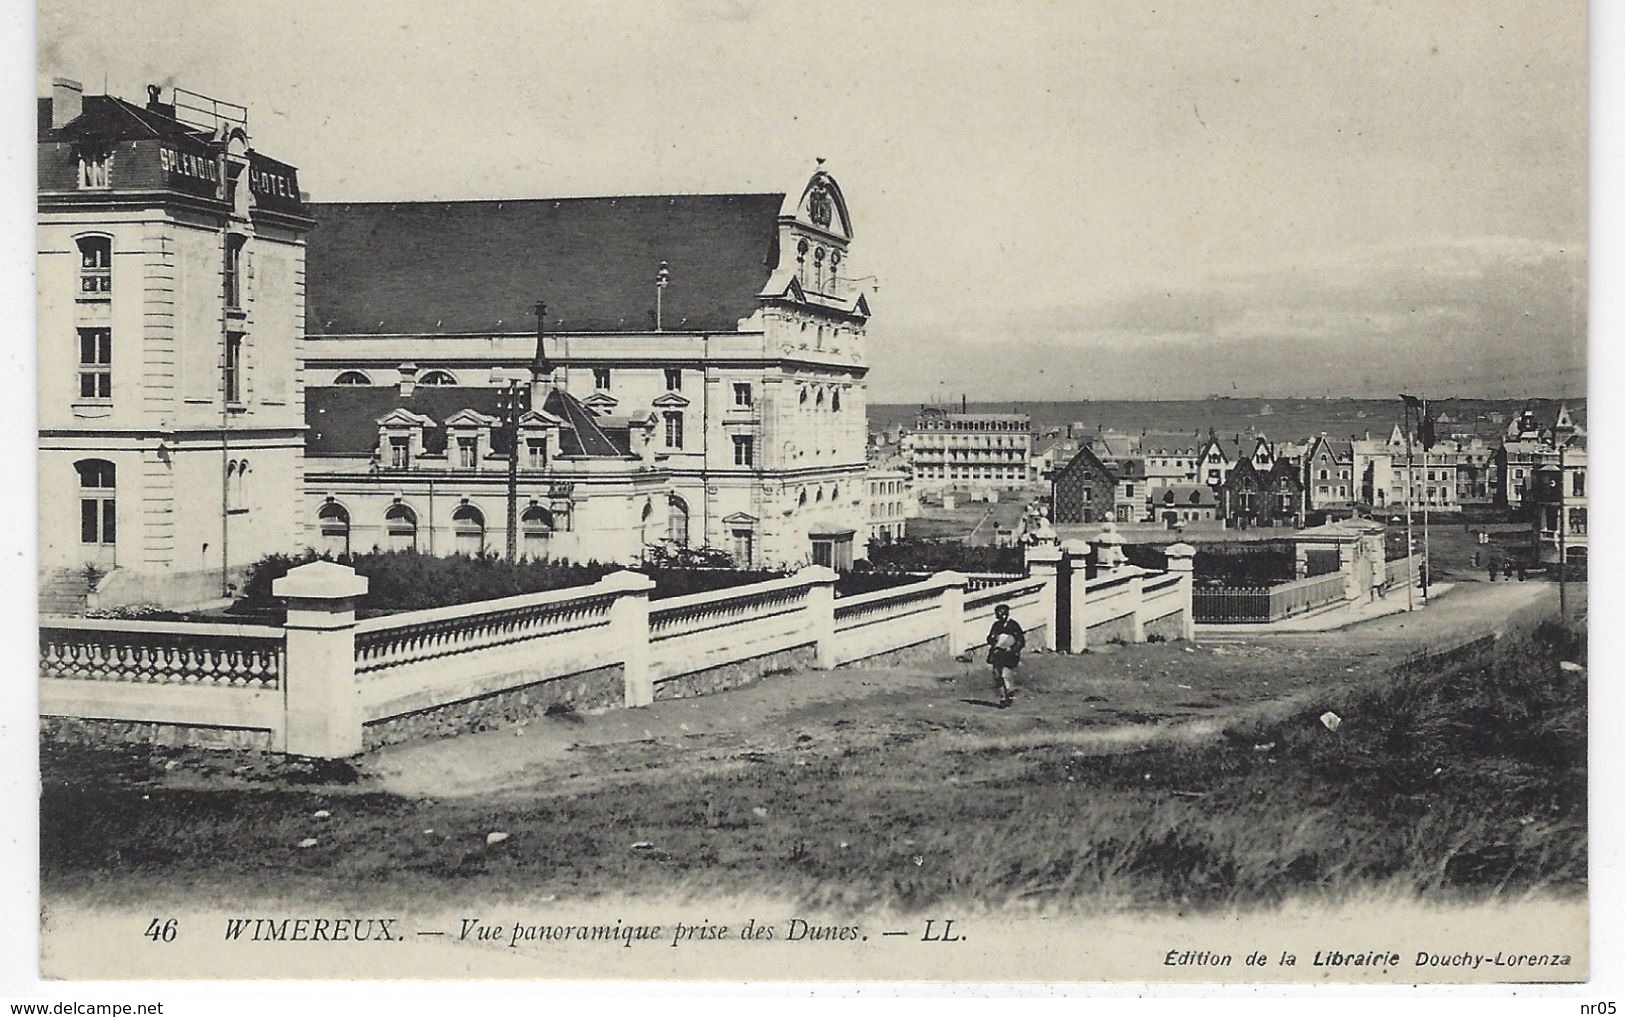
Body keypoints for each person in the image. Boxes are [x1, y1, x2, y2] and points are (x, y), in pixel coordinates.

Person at [985, 603, 1026, 709]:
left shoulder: (1013, 625)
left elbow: (1020, 641)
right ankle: (1003, 697)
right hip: (997, 652)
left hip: (1008, 654)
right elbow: (990, 638)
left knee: (1005, 674)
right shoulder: (996, 625)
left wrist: (1012, 649)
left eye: (1000, 614)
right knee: (997, 675)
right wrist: (994, 638)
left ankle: (1009, 693)